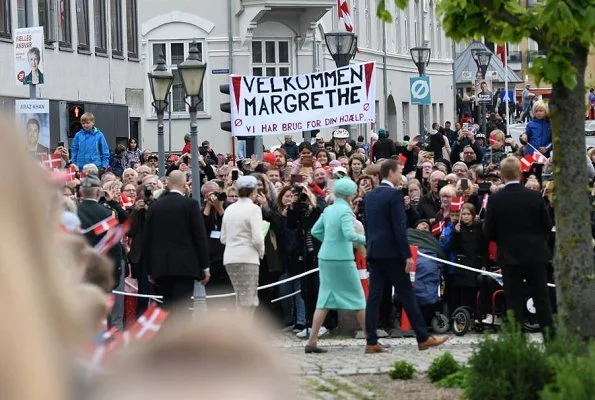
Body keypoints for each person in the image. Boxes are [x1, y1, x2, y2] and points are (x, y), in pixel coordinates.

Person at [364, 159, 448, 352]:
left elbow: (368, 226)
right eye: (399, 171)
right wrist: (407, 254)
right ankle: (423, 337)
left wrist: (370, 249)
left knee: (374, 297)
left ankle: (371, 341)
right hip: (393, 253)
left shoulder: (370, 196)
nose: (400, 175)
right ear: (391, 173)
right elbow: (399, 227)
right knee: (407, 293)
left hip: (375, 251)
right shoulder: (394, 195)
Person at [484, 157, 554, 339]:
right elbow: (547, 226)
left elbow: (489, 232)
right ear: (520, 173)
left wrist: (504, 239)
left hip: (510, 255)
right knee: (541, 297)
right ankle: (550, 339)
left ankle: (516, 341)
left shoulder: (495, 199)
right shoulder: (534, 197)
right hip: (535, 254)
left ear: (502, 174)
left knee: (513, 301)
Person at [306, 178, 367, 353]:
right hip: (342, 259)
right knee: (358, 298)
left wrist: (329, 242)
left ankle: (312, 341)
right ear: (350, 195)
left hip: (325, 256)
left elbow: (315, 231)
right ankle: (371, 341)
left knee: (323, 300)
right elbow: (349, 234)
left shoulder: (329, 210)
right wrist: (369, 239)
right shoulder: (346, 211)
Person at [142, 170, 211, 312]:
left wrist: (149, 269)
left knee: (166, 309)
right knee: (182, 310)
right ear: (184, 184)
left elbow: (148, 238)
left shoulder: (155, 206)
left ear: (168, 184)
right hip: (185, 266)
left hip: (161, 267)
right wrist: (205, 266)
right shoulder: (191, 204)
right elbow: (199, 237)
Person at [77, 174, 124, 329]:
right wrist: (116, 274)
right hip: (102, 272)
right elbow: (115, 246)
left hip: (80, 271)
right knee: (102, 314)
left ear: (81, 193)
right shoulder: (106, 214)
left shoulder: (74, 213)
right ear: (98, 193)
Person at [220, 176, 265, 318]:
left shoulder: (229, 209)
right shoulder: (254, 209)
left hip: (230, 258)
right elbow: (257, 238)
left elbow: (223, 238)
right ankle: (242, 334)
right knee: (249, 301)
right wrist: (261, 252)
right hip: (248, 257)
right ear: (253, 190)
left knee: (241, 299)